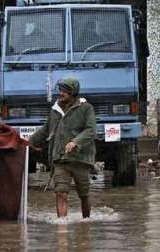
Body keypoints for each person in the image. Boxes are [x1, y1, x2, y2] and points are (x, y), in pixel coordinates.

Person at [29, 77, 96, 218]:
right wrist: (28, 142)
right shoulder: (55, 110)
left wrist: (76, 142)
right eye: (60, 90)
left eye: (64, 91)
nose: (60, 93)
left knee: (84, 195)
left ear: (73, 93)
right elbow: (45, 130)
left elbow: (90, 130)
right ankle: (62, 229)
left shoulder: (86, 108)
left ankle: (86, 223)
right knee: (60, 193)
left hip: (80, 159)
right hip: (60, 159)